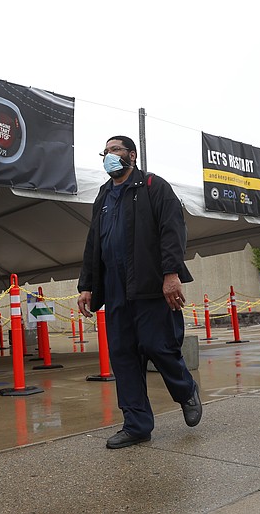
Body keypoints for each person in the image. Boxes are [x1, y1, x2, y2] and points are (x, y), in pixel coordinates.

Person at [77, 135, 202, 449]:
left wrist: (171, 273)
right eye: (104, 152)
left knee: (158, 346)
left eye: (115, 150)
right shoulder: (103, 197)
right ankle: (136, 425)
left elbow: (173, 230)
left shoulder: (152, 186)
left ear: (131, 155)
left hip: (151, 286)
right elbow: (95, 244)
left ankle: (186, 390)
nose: (109, 156)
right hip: (116, 291)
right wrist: (87, 286)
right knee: (123, 357)